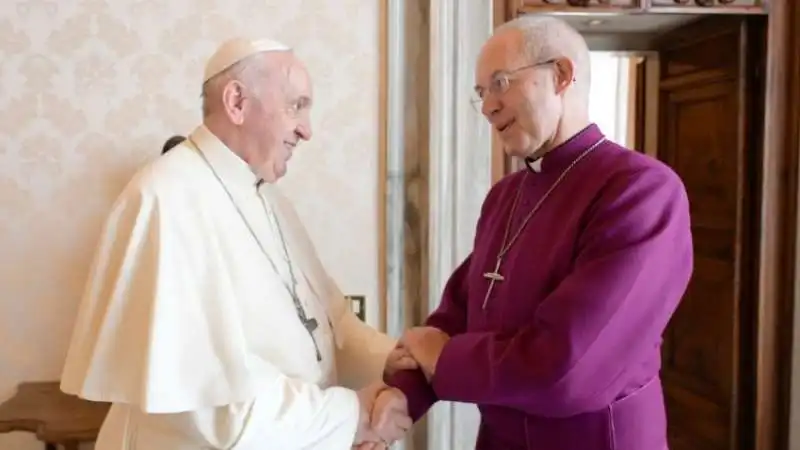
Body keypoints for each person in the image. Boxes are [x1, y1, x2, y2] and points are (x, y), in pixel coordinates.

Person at [60, 37, 416, 450]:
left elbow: (330, 323)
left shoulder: (268, 197)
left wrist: (390, 361)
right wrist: (351, 417)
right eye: (295, 106)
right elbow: (210, 406)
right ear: (236, 102)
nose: (307, 129)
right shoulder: (167, 199)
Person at [385, 16, 693, 450]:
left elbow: (570, 366)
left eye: (501, 82)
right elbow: (458, 314)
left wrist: (438, 356)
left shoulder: (640, 190)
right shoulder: (505, 195)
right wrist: (401, 398)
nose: (488, 106)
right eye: (481, 93)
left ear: (561, 75)